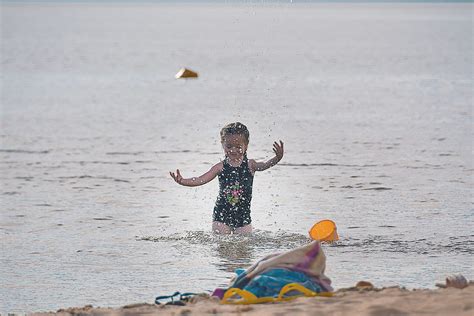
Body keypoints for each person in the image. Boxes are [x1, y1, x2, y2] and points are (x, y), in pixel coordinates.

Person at [170, 122, 284, 235]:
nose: (233, 150)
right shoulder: (220, 167)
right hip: (221, 215)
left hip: (243, 216)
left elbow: (264, 165)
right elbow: (201, 179)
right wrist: (183, 181)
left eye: (238, 147)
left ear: (246, 145)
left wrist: (277, 158)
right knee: (222, 247)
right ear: (222, 144)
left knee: (244, 249)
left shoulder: (250, 165)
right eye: (229, 146)